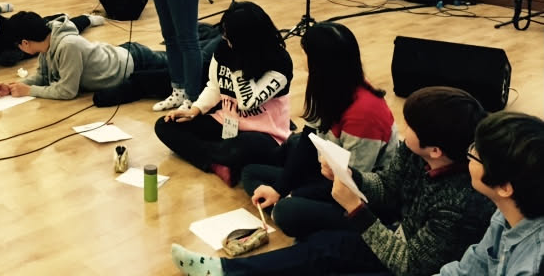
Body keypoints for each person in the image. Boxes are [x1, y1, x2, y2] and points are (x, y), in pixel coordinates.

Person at [171, 86, 495, 276]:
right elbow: (388, 186)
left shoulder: (462, 202)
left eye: (411, 126)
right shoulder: (415, 152)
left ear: (436, 150)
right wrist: (352, 177)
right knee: (316, 238)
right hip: (394, 229)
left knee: (323, 248)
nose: (403, 128)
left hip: (407, 258)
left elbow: (409, 265)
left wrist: (355, 209)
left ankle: (226, 271)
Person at [243, 22, 398, 237]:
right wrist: (280, 189)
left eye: (306, 54)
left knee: (286, 210)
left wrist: (294, 194)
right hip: (328, 174)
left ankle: (320, 228)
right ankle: (308, 220)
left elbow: (351, 184)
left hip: (362, 198)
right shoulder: (328, 85)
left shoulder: (365, 113)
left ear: (320, 62)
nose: (303, 60)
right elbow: (308, 139)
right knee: (251, 172)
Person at [153, 2, 293, 187]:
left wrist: (238, 66)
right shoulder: (224, 49)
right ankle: (216, 162)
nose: (225, 39)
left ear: (246, 40)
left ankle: (217, 156)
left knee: (242, 147)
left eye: (229, 37)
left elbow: (247, 102)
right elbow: (215, 86)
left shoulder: (279, 62)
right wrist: (195, 110)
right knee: (165, 125)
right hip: (227, 123)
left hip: (264, 134)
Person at [437, 111, 544, 276]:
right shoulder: (507, 211)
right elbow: (468, 270)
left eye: (477, 154)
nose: (471, 153)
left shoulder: (533, 265)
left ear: (504, 187)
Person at [0, 10, 171, 101]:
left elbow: (67, 91)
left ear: (25, 42)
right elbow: (43, 77)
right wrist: (15, 86)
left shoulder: (68, 46)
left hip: (135, 61)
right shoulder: (46, 46)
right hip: (121, 56)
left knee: (182, 65)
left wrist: (30, 91)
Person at [0, 4, 104, 71]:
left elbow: (11, 57)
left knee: (62, 26)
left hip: (36, 42)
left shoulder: (12, 33)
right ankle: (60, 15)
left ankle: (87, 19)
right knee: (47, 20)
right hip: (29, 31)